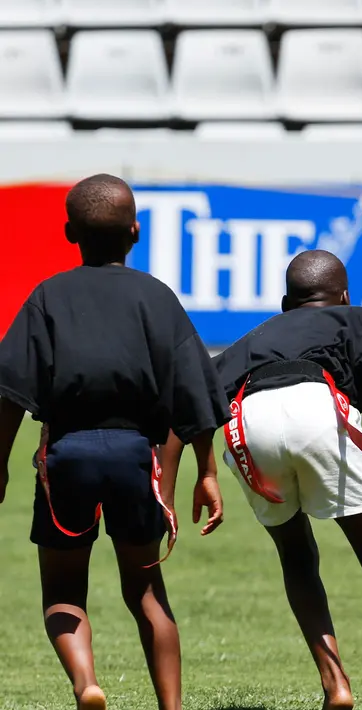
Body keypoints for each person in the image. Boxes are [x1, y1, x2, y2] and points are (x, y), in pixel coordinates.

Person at [162, 250, 362, 709]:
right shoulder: (357, 318)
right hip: (318, 408)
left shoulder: (252, 338)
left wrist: (178, 490)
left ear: (284, 303)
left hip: (247, 425)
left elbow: (185, 415)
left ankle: (335, 684)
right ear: (344, 295)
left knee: (296, 558)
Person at [0, 174, 229, 710]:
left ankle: (88, 685)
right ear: (136, 232)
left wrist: (0, 463)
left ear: (68, 233)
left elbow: (10, 390)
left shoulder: (47, 296)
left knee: (62, 590)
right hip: (136, 458)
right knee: (147, 591)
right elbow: (194, 392)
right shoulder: (157, 298)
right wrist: (208, 472)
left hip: (67, 457)